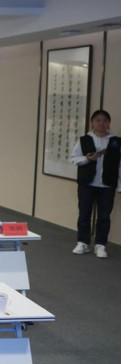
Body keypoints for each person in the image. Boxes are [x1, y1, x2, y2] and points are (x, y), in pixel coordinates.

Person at [70, 109, 121, 258]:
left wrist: (119, 185)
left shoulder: (116, 141)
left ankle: (100, 245)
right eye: (98, 120)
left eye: (104, 120)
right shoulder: (84, 140)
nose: (101, 123)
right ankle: (83, 242)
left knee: (104, 216)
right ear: (92, 122)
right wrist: (86, 159)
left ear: (109, 123)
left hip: (107, 185)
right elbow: (73, 158)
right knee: (84, 214)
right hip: (87, 183)